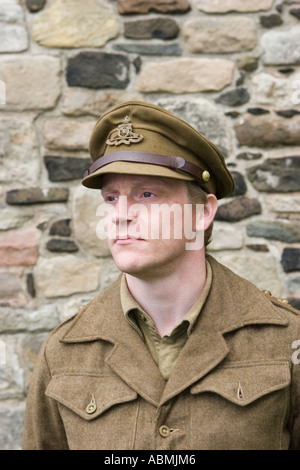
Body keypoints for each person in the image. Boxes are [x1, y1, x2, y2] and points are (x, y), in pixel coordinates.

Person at [22, 101, 300, 450]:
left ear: (203, 213)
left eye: (146, 194)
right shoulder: (64, 352)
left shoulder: (287, 340)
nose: (120, 214)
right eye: (111, 197)